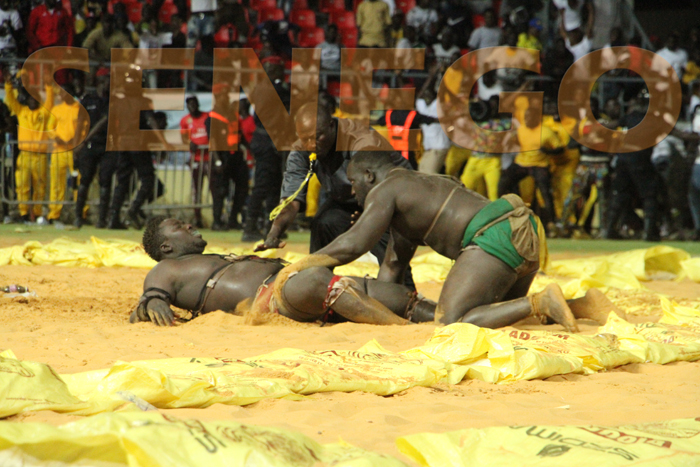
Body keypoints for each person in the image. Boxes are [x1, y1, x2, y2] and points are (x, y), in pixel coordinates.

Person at [270, 151, 587, 331]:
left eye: (353, 182)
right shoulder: (419, 188)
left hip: (493, 235)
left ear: (369, 175)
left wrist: (299, 266)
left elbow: (353, 244)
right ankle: (578, 307)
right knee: (500, 315)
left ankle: (541, 301)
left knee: (452, 322)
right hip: (524, 226)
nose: (352, 192)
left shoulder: (386, 189)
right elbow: (392, 269)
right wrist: (386, 319)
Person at [130, 216, 435, 326]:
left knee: (388, 293)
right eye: (178, 227)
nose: (188, 225)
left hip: (294, 285)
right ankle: (399, 329)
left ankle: (446, 317)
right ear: (166, 247)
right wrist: (154, 301)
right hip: (273, 298)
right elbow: (153, 292)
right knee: (317, 278)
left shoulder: (213, 256)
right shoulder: (166, 268)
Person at [256, 104, 412, 275]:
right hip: (348, 199)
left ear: (331, 125)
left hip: (389, 197)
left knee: (384, 243)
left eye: (317, 137)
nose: (311, 144)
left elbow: (379, 185)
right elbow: (291, 201)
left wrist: (369, 213)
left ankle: (405, 292)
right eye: (305, 138)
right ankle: (316, 279)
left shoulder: (360, 140)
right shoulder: (302, 150)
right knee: (324, 222)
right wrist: (274, 232)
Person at [498, 107, 563, 230]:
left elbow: (560, 148)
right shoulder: (521, 129)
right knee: (504, 181)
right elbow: (516, 142)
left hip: (539, 164)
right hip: (522, 163)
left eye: (529, 117)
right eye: (525, 117)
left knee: (545, 191)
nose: (527, 120)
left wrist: (548, 151)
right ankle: (504, 213)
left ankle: (551, 222)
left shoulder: (546, 131)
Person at [4, 71, 55, 223]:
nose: (33, 101)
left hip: (39, 156)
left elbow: (50, 100)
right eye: (30, 98)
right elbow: (11, 100)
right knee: (23, 186)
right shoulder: (22, 111)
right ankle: (24, 213)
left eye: (36, 98)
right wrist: (8, 85)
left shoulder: (43, 113)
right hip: (25, 155)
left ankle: (38, 214)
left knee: (40, 187)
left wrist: (48, 84)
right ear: (27, 100)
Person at [74, 69, 114, 228]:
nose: (109, 83)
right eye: (106, 80)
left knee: (105, 183)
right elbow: (79, 123)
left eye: (110, 80)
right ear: (99, 81)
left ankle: (102, 219)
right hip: (89, 147)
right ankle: (78, 216)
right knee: (85, 181)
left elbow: (104, 122)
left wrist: (83, 142)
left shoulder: (112, 101)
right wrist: (77, 143)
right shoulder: (88, 100)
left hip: (106, 146)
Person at [47, 82, 81, 224]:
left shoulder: (78, 109)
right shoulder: (56, 109)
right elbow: (50, 128)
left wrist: (76, 140)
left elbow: (83, 127)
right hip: (59, 150)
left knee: (78, 182)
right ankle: (54, 213)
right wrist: (57, 138)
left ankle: (80, 213)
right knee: (56, 183)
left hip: (75, 151)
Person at [180, 95, 211, 229]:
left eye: (194, 104)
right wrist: (189, 143)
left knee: (215, 188)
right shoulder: (185, 120)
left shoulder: (207, 117)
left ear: (198, 104)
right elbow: (184, 138)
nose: (192, 107)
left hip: (210, 159)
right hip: (196, 159)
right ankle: (197, 217)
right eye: (189, 105)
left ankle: (218, 216)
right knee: (196, 189)